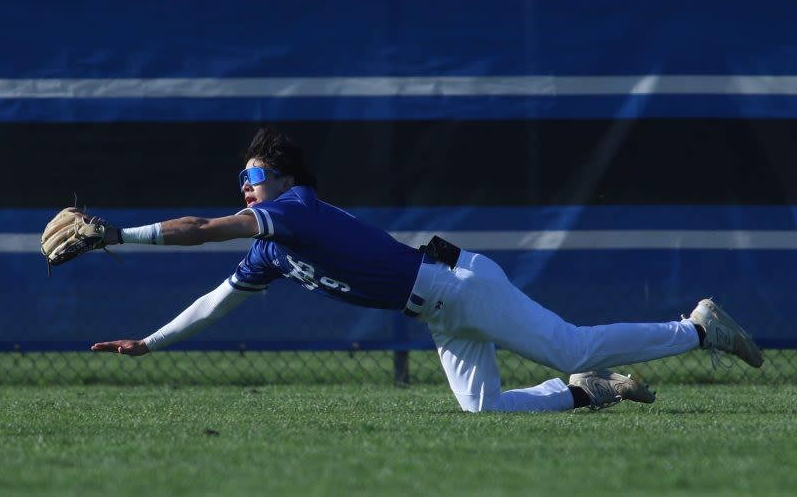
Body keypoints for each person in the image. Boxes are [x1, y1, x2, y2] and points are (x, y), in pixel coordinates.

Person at [47, 127, 764, 413]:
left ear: (284, 176)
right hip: (439, 300)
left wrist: (118, 232)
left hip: (454, 284)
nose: (246, 184)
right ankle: (589, 395)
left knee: (568, 340)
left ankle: (696, 330)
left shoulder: (293, 208)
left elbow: (203, 232)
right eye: (242, 175)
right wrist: (149, 342)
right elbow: (216, 301)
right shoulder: (272, 248)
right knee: (481, 408)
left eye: (254, 173)